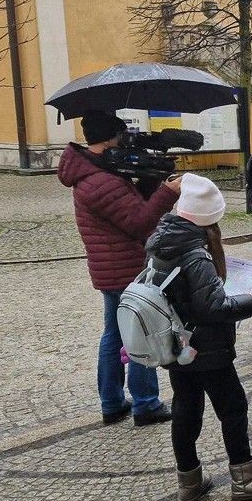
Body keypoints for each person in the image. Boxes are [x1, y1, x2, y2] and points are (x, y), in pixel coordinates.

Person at [145, 175, 252, 501]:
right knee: (233, 407)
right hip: (208, 348)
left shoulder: (160, 243)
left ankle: (189, 481)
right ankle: (244, 479)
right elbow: (215, 306)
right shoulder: (195, 254)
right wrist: (247, 300)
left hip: (176, 346)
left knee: (186, 409)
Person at [57, 109, 177, 426]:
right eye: (121, 136)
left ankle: (112, 402)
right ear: (110, 139)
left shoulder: (98, 172)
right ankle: (146, 404)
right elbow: (138, 222)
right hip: (123, 268)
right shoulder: (99, 181)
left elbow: (132, 208)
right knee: (140, 333)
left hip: (114, 268)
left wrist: (149, 180)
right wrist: (168, 192)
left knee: (115, 335)